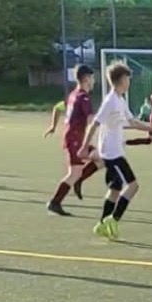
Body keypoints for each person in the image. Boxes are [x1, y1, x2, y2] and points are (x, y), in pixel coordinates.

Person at [78, 62, 152, 240]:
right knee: (133, 185)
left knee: (115, 188)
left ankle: (101, 224)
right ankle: (113, 219)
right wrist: (84, 146)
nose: (129, 82)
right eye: (128, 79)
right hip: (111, 153)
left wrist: (150, 128)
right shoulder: (110, 101)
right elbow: (95, 123)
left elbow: (132, 122)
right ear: (122, 80)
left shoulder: (120, 100)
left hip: (115, 151)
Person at [45, 65, 103, 215]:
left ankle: (79, 180)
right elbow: (91, 119)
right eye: (92, 78)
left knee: (102, 158)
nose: (93, 81)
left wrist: (53, 126)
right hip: (75, 140)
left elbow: (57, 108)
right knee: (74, 173)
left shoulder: (73, 95)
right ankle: (54, 202)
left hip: (74, 139)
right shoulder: (83, 97)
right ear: (86, 79)